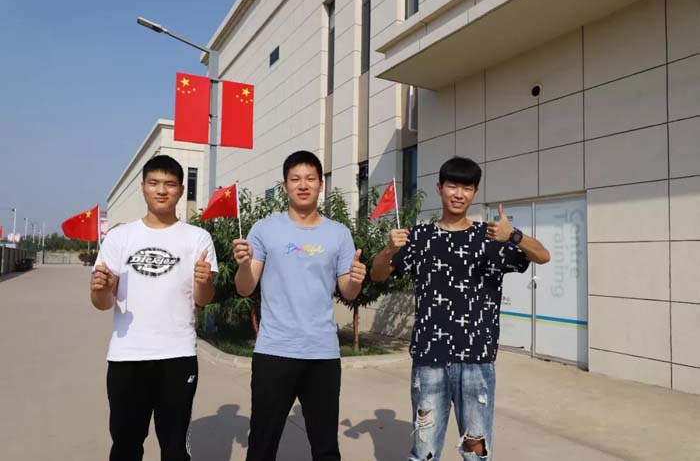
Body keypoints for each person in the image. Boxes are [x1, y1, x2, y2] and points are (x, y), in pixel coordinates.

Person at [371, 156, 550, 460]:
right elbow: (377, 275)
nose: (458, 194)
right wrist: (389, 249)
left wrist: (514, 235)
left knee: (476, 452)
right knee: (424, 451)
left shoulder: (491, 238)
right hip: (430, 359)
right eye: (452, 185)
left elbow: (543, 256)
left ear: (475, 192)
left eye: (466, 188)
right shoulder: (420, 238)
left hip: (477, 360)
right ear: (439, 187)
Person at [233, 150, 366, 461]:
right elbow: (245, 287)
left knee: (326, 448)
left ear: (321, 184)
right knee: (262, 445)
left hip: (322, 353)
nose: (303, 185)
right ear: (285, 186)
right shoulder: (264, 229)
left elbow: (347, 291)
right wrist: (243, 265)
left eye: (310, 179)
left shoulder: (338, 233)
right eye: (295, 179)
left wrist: (357, 279)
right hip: (274, 350)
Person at [90, 155, 218, 461]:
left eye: (170, 184)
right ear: (143, 187)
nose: (162, 190)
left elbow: (203, 299)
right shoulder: (119, 237)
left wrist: (203, 281)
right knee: (126, 446)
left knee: (174, 448)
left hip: (177, 357)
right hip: (127, 357)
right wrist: (101, 289)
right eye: (154, 183)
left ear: (181, 190)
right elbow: (102, 303)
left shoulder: (198, 238)